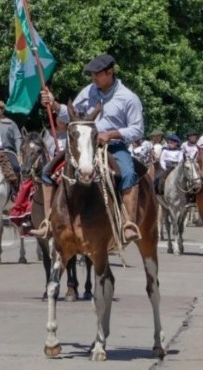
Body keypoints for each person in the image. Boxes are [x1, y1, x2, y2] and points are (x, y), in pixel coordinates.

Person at [35, 53, 144, 243]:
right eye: (92, 74)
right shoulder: (88, 91)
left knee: (127, 174)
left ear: (110, 72)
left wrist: (111, 134)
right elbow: (71, 114)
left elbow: (137, 129)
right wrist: (53, 104)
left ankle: (128, 224)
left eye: (97, 74)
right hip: (83, 146)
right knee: (47, 171)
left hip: (113, 147)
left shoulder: (128, 98)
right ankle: (48, 221)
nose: (93, 78)